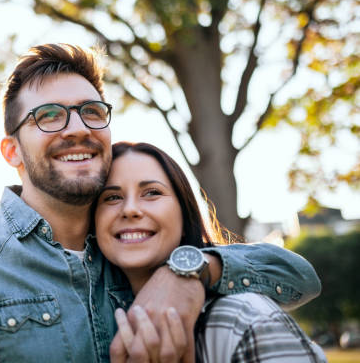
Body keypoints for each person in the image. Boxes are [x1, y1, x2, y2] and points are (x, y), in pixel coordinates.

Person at [0, 44, 321, 362]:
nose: (76, 128)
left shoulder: (132, 256)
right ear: (13, 153)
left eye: (91, 111)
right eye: (48, 116)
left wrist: (189, 270)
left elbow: (298, 277)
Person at [95, 141, 326, 362]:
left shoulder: (244, 318)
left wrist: (185, 271)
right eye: (112, 197)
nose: (130, 209)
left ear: (184, 217)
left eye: (152, 192)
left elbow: (304, 276)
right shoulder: (91, 317)